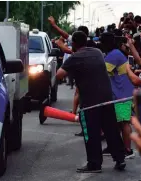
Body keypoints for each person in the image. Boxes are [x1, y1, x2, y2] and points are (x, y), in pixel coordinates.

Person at [56, 31, 126, 173]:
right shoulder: (97, 52)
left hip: (90, 103)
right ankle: (120, 158)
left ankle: (94, 164)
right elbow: (84, 57)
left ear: (74, 43)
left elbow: (59, 75)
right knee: (111, 129)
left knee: (91, 133)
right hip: (106, 99)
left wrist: (72, 68)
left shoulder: (74, 58)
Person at [100, 33, 135, 159]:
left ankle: (127, 150)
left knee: (124, 122)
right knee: (117, 122)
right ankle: (115, 147)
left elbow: (102, 72)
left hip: (122, 94)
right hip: (120, 93)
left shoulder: (113, 55)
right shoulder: (114, 53)